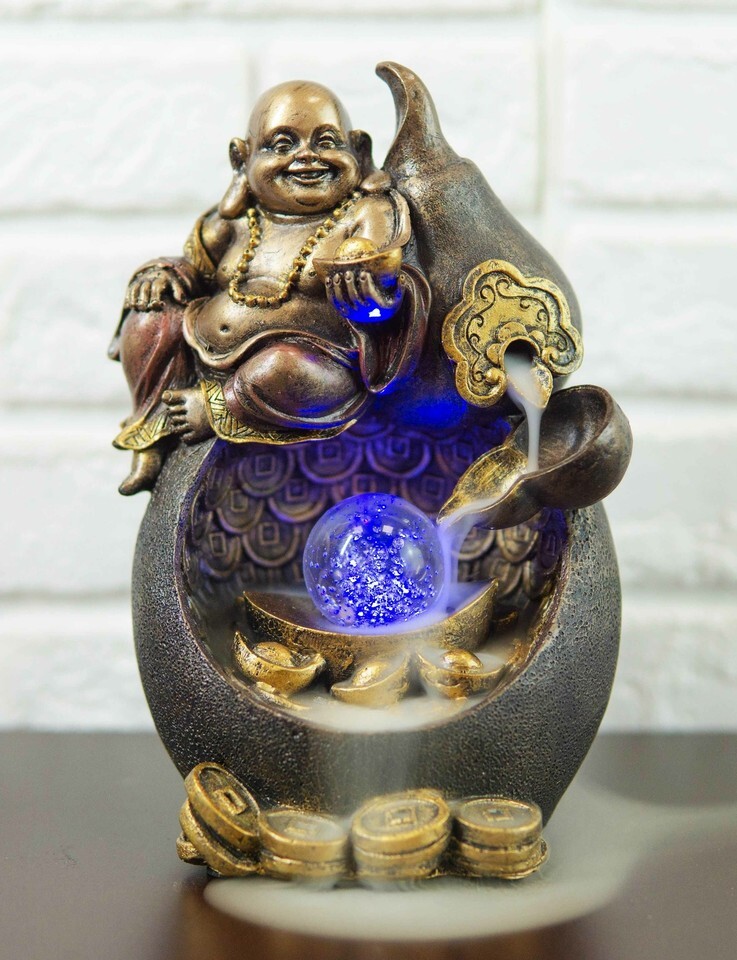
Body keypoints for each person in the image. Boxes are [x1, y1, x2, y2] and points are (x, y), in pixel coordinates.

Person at [109, 80, 429, 496]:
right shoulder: (237, 221)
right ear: (241, 159)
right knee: (149, 318)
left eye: (326, 142)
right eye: (282, 145)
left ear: (359, 150)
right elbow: (194, 268)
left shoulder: (365, 212)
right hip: (204, 346)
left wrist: (370, 291)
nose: (306, 157)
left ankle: (218, 407)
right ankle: (151, 433)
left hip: (312, 364)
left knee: (280, 368)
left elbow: (385, 279)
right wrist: (164, 274)